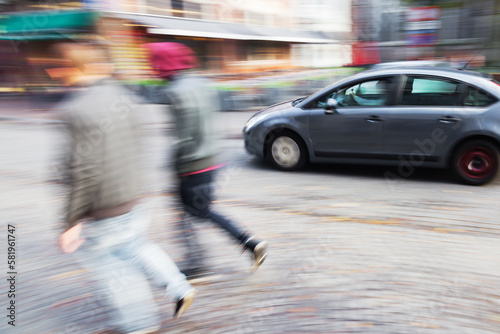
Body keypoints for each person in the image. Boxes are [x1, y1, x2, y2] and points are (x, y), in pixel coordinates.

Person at [53, 41, 196, 334]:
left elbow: (84, 170)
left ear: (76, 68)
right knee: (137, 246)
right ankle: (178, 286)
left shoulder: (75, 109)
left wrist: (71, 221)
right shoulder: (127, 97)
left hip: (103, 206)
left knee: (111, 265)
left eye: (62, 66)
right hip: (133, 196)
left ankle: (139, 323)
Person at [145, 42, 268, 279]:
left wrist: (175, 168)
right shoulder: (201, 83)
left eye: (154, 61)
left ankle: (200, 261)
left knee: (189, 213)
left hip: (190, 166)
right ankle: (247, 243)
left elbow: (183, 137)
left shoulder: (174, 91)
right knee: (202, 211)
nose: (152, 67)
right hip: (211, 160)